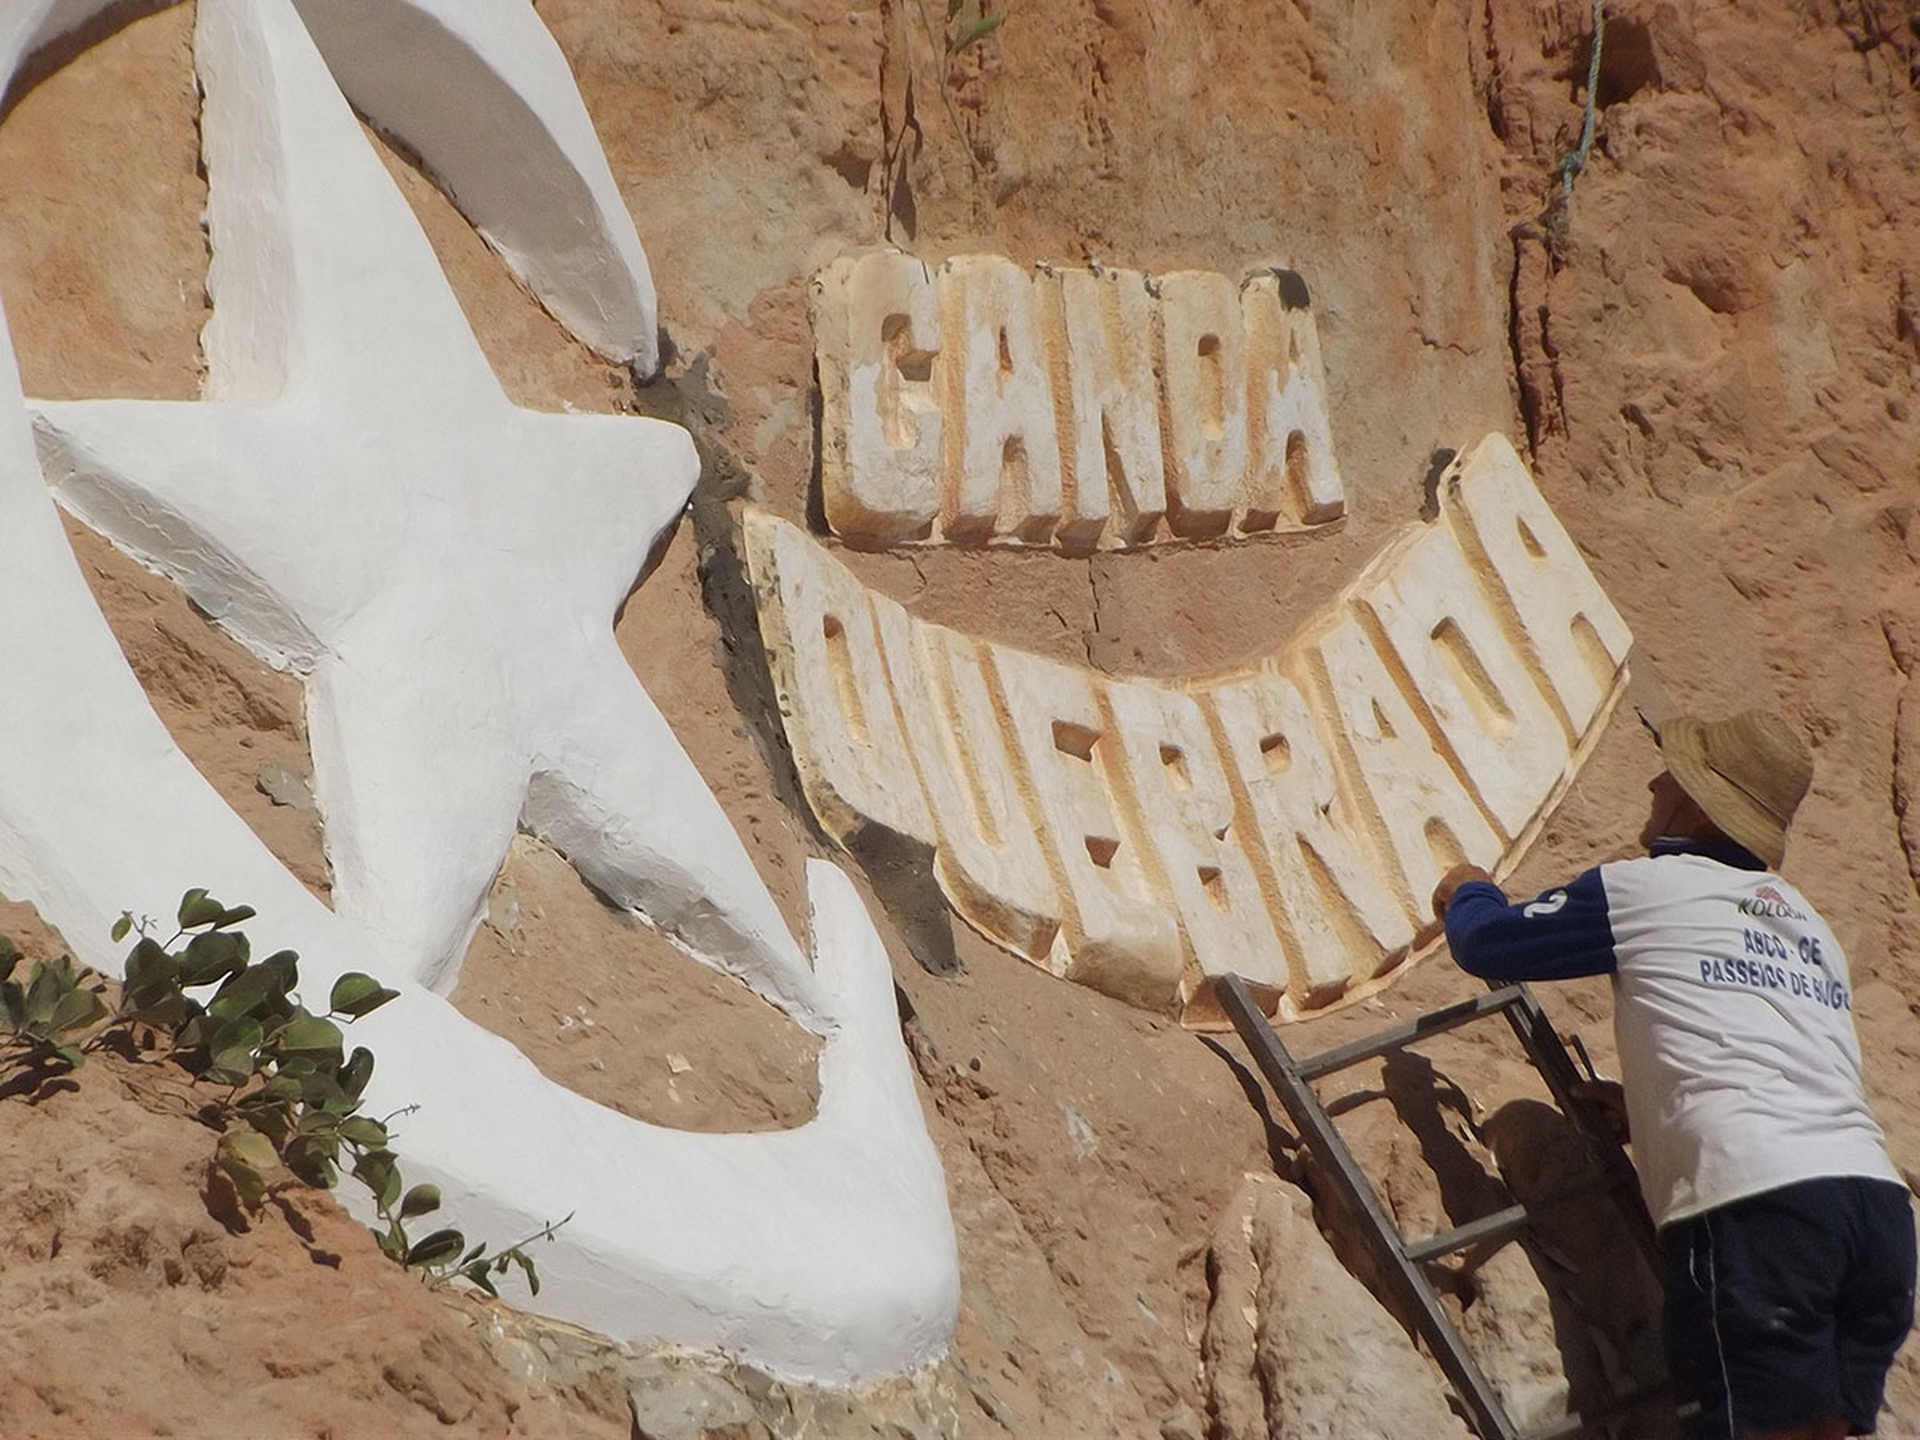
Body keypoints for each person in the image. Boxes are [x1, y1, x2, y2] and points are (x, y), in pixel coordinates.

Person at [1430, 710, 1915, 1440]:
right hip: (1874, 1214)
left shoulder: (1645, 888)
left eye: (1673, 775)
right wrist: (1650, 1103)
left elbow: (1489, 944)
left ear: (1695, 805)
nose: (1655, 782)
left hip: (1757, 1208)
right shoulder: (1807, 923)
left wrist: (1468, 890)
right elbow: (1778, 1055)